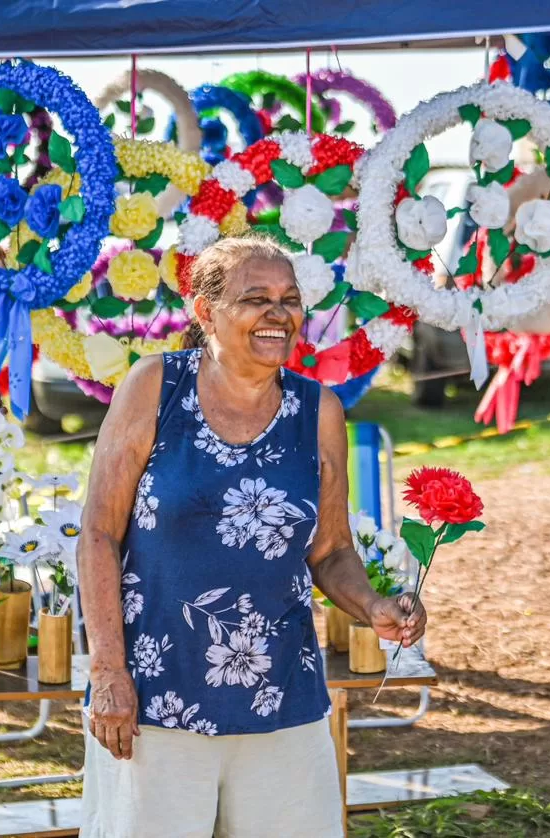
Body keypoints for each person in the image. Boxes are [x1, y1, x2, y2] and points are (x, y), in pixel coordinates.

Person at [78, 236, 427, 836]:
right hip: (155, 699)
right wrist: (109, 669)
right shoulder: (156, 386)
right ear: (205, 311)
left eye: (290, 299)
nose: (279, 313)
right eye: (256, 298)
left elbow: (332, 548)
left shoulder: (317, 411)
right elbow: (98, 534)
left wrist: (373, 606)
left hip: (282, 696)